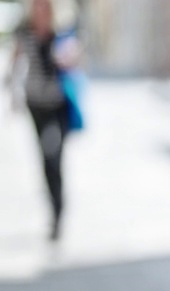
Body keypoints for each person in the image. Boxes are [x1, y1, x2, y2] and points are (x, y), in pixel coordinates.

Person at [6, 0, 77, 240]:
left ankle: (59, 208)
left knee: (54, 155)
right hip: (36, 104)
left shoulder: (61, 32)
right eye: (37, 5)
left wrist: (67, 58)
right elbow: (16, 60)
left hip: (59, 104)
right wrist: (12, 92)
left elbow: (76, 58)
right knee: (46, 159)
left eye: (44, 5)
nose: (40, 9)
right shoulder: (24, 32)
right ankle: (54, 209)